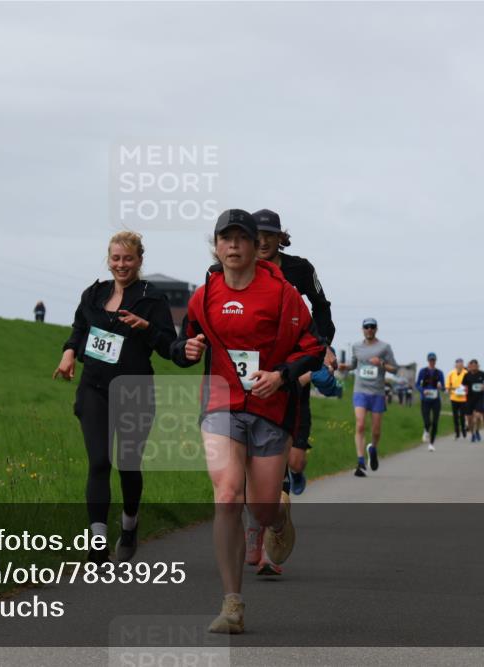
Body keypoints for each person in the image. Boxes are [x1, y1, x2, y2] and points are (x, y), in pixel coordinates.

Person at [171, 209, 325, 634]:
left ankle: (277, 518)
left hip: (270, 409)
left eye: (242, 238)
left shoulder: (282, 294)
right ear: (216, 245)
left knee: (260, 506)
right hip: (221, 405)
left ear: (257, 246)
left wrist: (281, 376)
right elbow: (185, 339)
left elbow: (311, 346)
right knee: (226, 495)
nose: (234, 245)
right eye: (227, 238)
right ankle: (232, 603)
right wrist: (185, 349)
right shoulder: (204, 296)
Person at [54, 231, 176, 563]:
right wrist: (68, 354)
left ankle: (130, 524)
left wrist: (146, 327)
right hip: (94, 388)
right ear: (108, 260)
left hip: (134, 391)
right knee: (98, 462)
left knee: (128, 464)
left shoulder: (152, 298)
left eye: (128, 258)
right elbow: (79, 330)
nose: (121, 264)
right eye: (116, 258)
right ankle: (97, 544)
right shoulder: (94, 294)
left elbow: (168, 345)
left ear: (139, 260)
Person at [253, 208, 336, 498]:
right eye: (258, 235)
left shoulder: (300, 269)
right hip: (256, 362)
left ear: (280, 238)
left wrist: (322, 346)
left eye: (270, 236)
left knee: (294, 455)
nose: (263, 242)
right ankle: (274, 491)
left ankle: (290, 475)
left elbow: (321, 306)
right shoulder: (239, 268)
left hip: (292, 362)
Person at [337, 318, 398, 477]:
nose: (369, 329)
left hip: (377, 392)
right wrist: (346, 367)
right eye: (366, 327)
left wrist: (382, 364)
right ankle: (360, 461)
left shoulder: (384, 347)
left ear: (376, 329)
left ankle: (373, 448)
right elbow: (354, 365)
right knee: (360, 424)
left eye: (372, 327)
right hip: (360, 390)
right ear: (362, 329)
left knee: (376, 430)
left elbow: (395, 370)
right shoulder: (357, 346)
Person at [416, 352, 445, 451]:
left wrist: (441, 387)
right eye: (430, 360)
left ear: (435, 361)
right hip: (425, 399)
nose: (432, 362)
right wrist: (422, 391)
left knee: (435, 422)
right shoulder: (422, 371)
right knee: (427, 421)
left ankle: (431, 444)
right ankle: (426, 430)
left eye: (433, 360)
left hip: (436, 400)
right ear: (428, 360)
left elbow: (444, 387)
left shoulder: (439, 373)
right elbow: (417, 384)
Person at [461, 359, 484, 442]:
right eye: (472, 366)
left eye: (475, 365)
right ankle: (473, 434)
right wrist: (464, 389)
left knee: (478, 416)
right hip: (469, 399)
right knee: (469, 419)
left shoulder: (482, 374)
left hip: (479, 398)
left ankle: (477, 430)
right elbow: (463, 386)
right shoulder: (466, 375)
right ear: (470, 366)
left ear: (478, 366)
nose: (474, 367)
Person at [446, 358, 469, 439]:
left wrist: (466, 389)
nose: (460, 365)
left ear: (463, 365)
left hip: (463, 398)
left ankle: (463, 430)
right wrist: (451, 389)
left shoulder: (466, 373)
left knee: (462, 416)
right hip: (454, 398)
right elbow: (448, 386)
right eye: (458, 363)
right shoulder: (451, 373)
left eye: (461, 364)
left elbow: (469, 384)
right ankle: (457, 432)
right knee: (455, 416)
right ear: (455, 365)